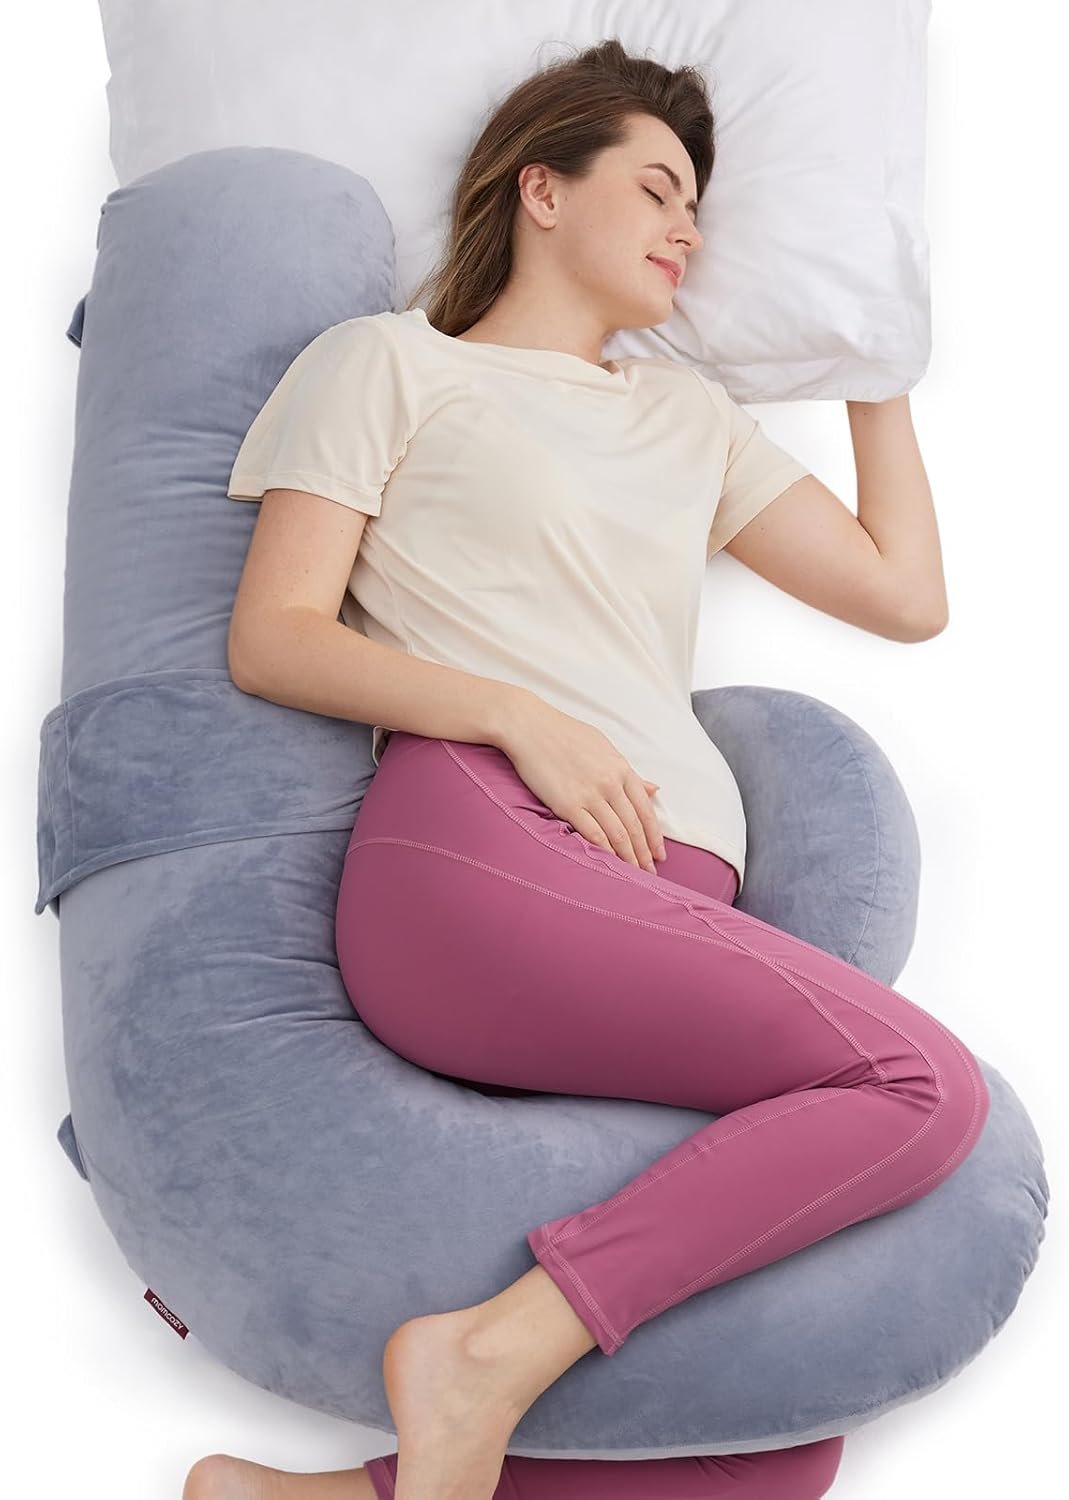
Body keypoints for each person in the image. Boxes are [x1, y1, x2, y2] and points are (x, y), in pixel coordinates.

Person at [189, 35, 980, 1500]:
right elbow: (274, 636)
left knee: (787, 1436)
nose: (689, 231)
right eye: (659, 188)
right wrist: (513, 715)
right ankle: (480, 1359)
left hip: (660, 905)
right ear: (542, 189)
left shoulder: (688, 419)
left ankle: (331, 1498)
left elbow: (903, 595)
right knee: (921, 1084)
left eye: (702, 209)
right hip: (481, 848)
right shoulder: (389, 362)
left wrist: (874, 362)